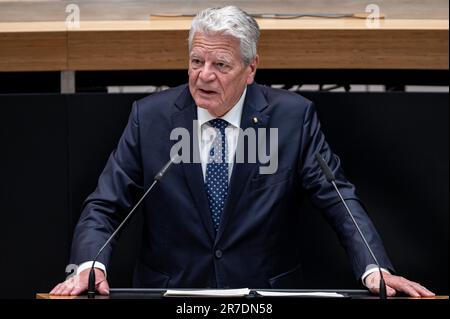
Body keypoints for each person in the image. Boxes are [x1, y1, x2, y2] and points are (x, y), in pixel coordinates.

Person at [50, 6, 434, 297]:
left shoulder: (292, 119)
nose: (204, 75)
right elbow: (106, 204)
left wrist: (374, 267)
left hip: (263, 295)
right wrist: (90, 262)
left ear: (251, 69)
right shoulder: (150, 118)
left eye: (221, 64)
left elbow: (338, 200)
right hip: (174, 294)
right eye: (196, 61)